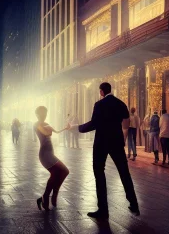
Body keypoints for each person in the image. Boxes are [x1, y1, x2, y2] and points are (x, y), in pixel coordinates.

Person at [74, 82, 139, 219]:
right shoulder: (121, 104)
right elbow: (126, 124)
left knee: (99, 172)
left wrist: (79, 128)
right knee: (124, 172)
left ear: (101, 91)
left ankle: (103, 209)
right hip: (116, 141)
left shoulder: (99, 105)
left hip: (101, 142)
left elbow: (94, 124)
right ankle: (134, 203)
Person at [34, 106, 69, 211]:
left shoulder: (46, 123)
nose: (44, 115)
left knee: (64, 171)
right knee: (58, 172)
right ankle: (47, 197)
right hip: (45, 154)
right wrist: (49, 128)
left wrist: (65, 128)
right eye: (42, 114)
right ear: (37, 114)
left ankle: (52, 195)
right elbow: (46, 133)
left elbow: (56, 131)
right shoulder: (37, 124)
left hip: (50, 153)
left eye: (45, 113)